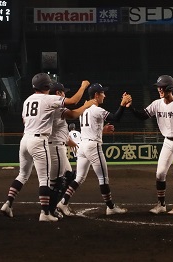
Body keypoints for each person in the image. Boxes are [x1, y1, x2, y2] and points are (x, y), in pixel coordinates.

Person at [0, 73, 95, 222]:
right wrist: (84, 89)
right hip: (41, 141)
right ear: (48, 87)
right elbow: (73, 104)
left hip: (25, 139)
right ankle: (46, 212)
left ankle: (8, 204)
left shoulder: (27, 101)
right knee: (46, 180)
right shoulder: (49, 100)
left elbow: (25, 121)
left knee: (23, 175)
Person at [56, 83, 130, 217]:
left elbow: (90, 130)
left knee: (79, 178)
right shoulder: (96, 109)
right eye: (102, 93)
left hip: (83, 146)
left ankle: (63, 202)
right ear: (96, 95)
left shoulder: (84, 110)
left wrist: (102, 130)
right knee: (103, 178)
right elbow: (115, 118)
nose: (104, 95)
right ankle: (111, 207)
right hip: (92, 147)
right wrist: (123, 104)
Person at [129, 75, 173, 215]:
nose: (159, 89)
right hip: (167, 141)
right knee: (160, 173)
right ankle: (161, 204)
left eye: (162, 87)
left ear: (169, 88)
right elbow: (142, 116)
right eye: (159, 87)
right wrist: (130, 108)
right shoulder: (157, 104)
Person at [46, 80, 89, 217]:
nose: (64, 94)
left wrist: (67, 140)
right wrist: (86, 102)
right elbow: (73, 112)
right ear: (58, 93)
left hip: (56, 145)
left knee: (68, 176)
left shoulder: (48, 106)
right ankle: (50, 209)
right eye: (63, 92)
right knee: (56, 181)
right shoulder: (56, 106)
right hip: (55, 147)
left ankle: (59, 205)